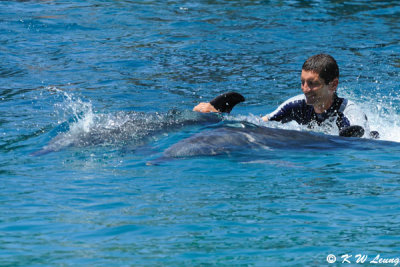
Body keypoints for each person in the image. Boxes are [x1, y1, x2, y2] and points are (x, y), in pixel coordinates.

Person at [194, 54, 372, 137]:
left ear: (333, 85)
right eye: (303, 82)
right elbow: (257, 124)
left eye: (313, 83)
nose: (305, 89)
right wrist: (219, 117)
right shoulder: (296, 104)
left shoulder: (349, 113)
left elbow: (358, 142)